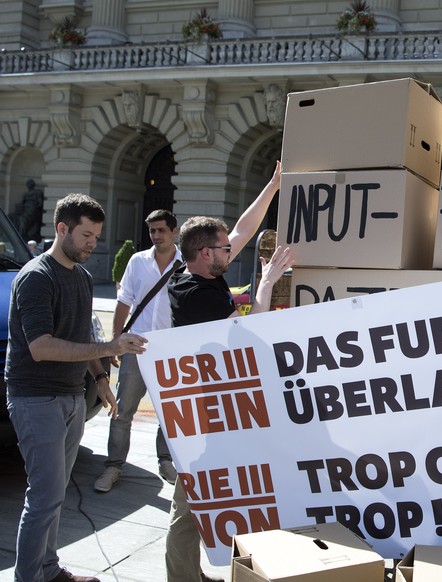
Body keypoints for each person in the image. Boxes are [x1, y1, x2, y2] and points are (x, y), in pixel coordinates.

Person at [5, 193, 148, 582]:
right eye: (86, 235)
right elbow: (41, 347)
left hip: (70, 396)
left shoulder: (82, 277)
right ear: (62, 228)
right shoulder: (36, 277)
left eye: (96, 237)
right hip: (36, 398)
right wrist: (110, 347)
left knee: (55, 495)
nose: (92, 244)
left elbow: (80, 331)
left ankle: (47, 570)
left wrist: (100, 377)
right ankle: (29, 576)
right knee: (45, 495)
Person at [164, 161, 293, 582]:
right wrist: (267, 282)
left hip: (210, 411)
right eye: (223, 250)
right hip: (201, 420)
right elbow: (246, 334)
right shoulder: (200, 296)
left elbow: (241, 229)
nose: (230, 251)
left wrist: (272, 186)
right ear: (206, 254)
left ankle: (192, 574)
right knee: (188, 507)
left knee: (200, 500)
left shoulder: (192, 272)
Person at [94, 209, 183, 493]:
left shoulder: (186, 263)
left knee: (170, 412)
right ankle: (113, 465)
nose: (156, 236)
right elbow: (124, 302)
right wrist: (115, 341)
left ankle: (166, 461)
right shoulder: (137, 261)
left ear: (174, 232)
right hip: (136, 345)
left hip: (171, 350)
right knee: (123, 410)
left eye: (161, 230)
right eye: (152, 231)